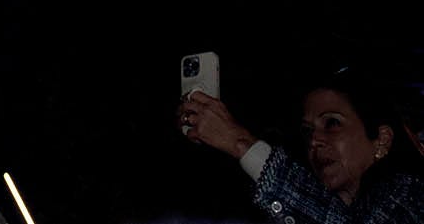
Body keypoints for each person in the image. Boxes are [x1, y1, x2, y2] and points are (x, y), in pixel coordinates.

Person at [180, 70, 424, 221]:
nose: (314, 140)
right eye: (308, 131)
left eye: (332, 123)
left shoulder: (411, 196)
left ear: (382, 140)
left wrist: (240, 143)